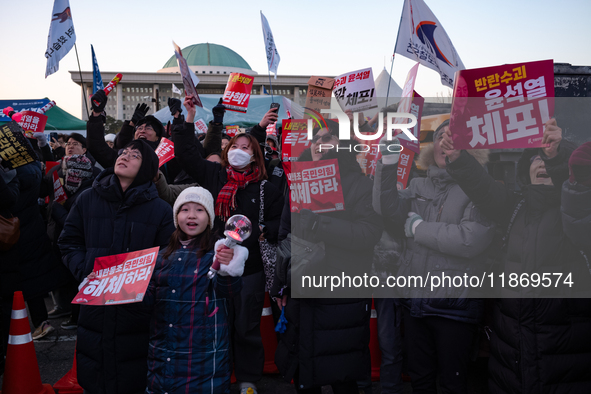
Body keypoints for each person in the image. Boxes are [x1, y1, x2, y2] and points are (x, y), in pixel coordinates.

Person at [442, 119, 591, 393]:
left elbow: (578, 195)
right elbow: (483, 187)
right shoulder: (514, 207)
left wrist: (557, 156)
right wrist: (458, 157)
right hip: (513, 351)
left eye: (549, 158)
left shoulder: (578, 211)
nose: (542, 163)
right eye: (535, 158)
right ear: (526, 170)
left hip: (564, 351)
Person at [373, 120, 495, 393]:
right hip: (415, 304)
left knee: (453, 383)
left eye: (453, 136)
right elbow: (386, 210)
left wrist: (419, 228)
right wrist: (388, 165)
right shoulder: (418, 185)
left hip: (455, 308)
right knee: (421, 380)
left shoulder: (480, 187)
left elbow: (470, 240)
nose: (445, 141)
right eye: (440, 136)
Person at [174, 94, 284, 394]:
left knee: (246, 326)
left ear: (255, 156)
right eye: (234, 146)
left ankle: (248, 378)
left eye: (246, 148)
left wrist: (265, 229)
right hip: (213, 262)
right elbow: (185, 154)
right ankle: (218, 372)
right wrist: (187, 116)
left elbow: (282, 222)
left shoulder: (266, 188)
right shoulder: (215, 176)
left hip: (251, 270)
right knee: (214, 323)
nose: (238, 151)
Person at [273, 120, 383, 393]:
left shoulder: (359, 184)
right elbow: (285, 236)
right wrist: (281, 284)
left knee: (341, 374)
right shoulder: (297, 182)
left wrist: (321, 225)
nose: (319, 144)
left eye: (328, 138)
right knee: (304, 370)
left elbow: (369, 234)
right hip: (302, 289)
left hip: (341, 293)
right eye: (315, 139)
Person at [58, 139, 175, 394]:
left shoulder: (161, 211)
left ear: (147, 168)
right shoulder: (88, 198)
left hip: (136, 310)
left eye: (135, 155)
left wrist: (143, 284)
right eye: (124, 152)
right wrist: (85, 272)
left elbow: (169, 257)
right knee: (95, 375)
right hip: (94, 307)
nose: (125, 156)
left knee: (131, 376)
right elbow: (69, 242)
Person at [145, 187, 247, 394]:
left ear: (209, 218)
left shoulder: (219, 253)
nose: (191, 215)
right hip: (164, 356)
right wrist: (115, 286)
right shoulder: (160, 257)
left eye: (199, 210)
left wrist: (228, 269)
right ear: (176, 216)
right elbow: (147, 301)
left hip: (205, 359)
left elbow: (230, 292)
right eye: (184, 209)